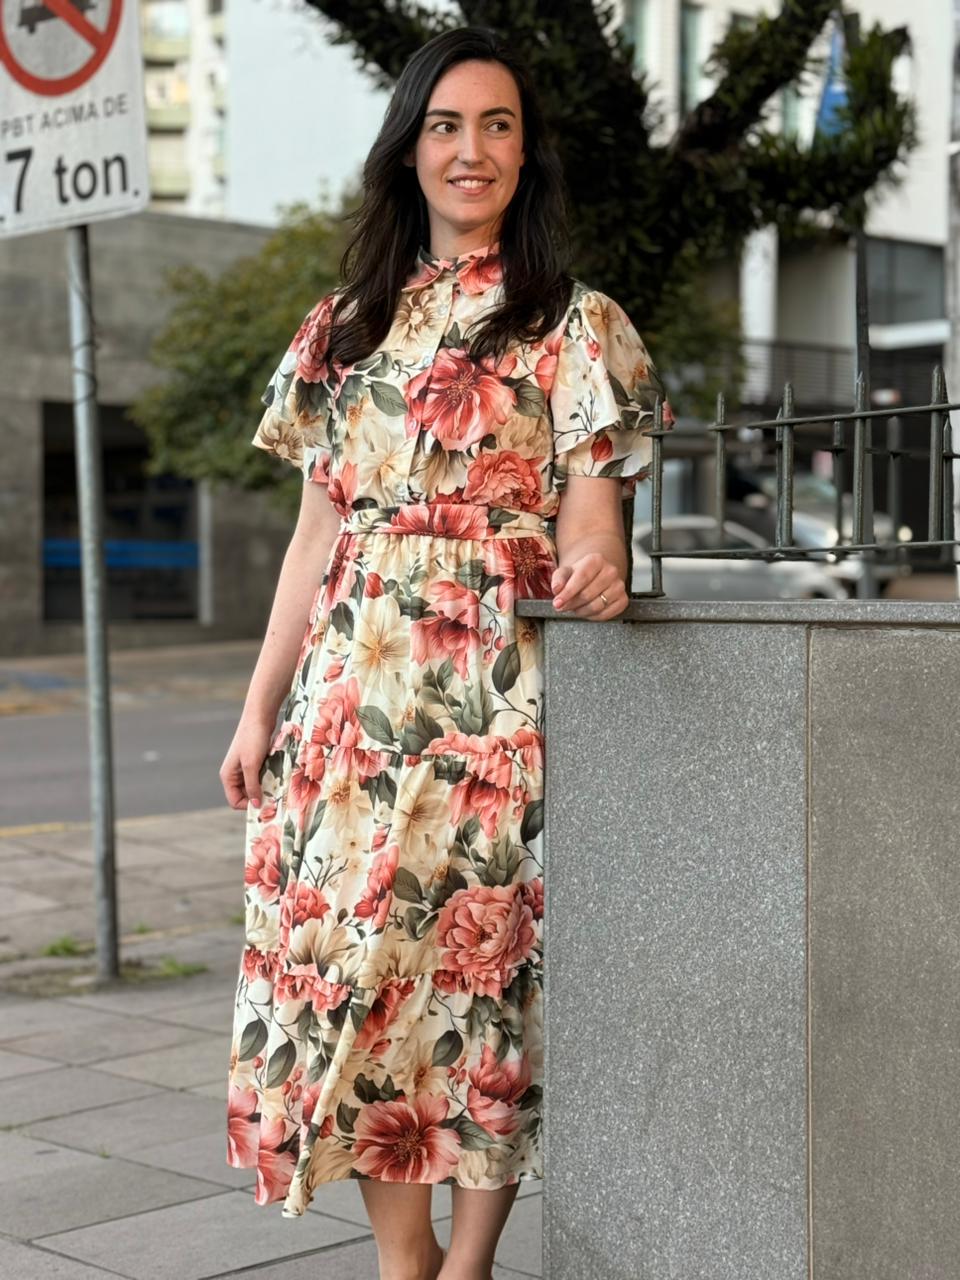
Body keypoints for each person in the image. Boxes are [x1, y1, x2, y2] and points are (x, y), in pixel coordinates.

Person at [219, 24, 667, 1280]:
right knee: (355, 979)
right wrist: (258, 711)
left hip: (490, 712)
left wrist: (599, 567)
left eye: (498, 126)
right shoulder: (342, 329)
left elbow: (593, 517)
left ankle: (464, 1264)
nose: (472, 151)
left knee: (474, 985)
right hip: (345, 713)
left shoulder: (577, 325)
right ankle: (403, 1258)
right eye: (446, 126)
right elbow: (313, 541)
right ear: (408, 150)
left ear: (527, 154)